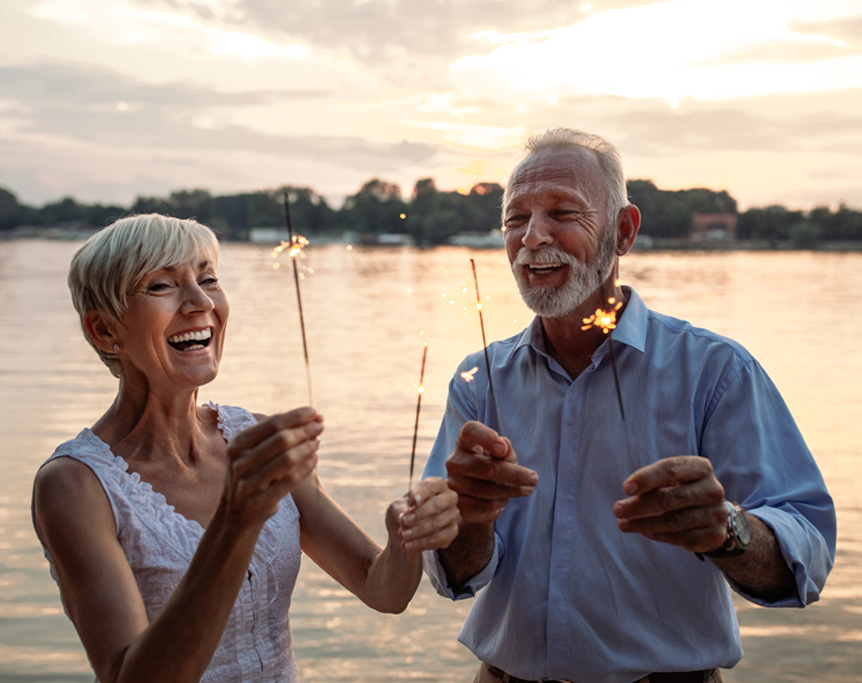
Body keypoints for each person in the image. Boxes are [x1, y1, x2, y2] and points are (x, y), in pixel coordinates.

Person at [422, 129, 836, 683]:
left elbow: (806, 555)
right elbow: (454, 575)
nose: (533, 237)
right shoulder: (479, 382)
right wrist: (470, 517)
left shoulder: (715, 373)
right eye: (516, 218)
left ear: (623, 231)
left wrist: (726, 529)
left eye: (563, 212)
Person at [31, 214, 460, 683]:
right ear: (104, 331)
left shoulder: (254, 435)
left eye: (209, 279)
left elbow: (382, 590)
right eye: (161, 285)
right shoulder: (74, 485)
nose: (200, 303)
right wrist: (237, 519)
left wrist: (405, 539)